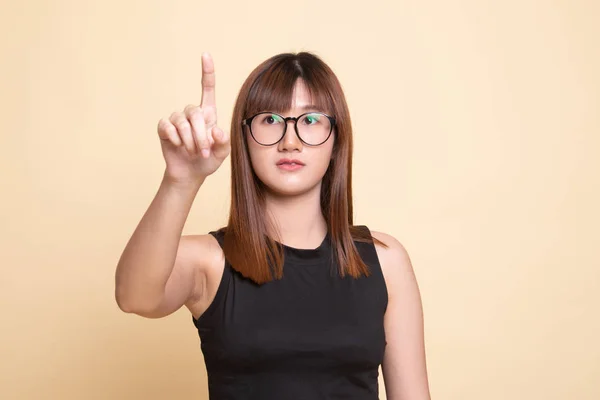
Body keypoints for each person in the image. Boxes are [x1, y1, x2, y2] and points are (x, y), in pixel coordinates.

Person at [115, 51, 431, 399]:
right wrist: (181, 180)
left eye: (310, 120)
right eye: (270, 119)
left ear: (336, 140)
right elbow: (134, 297)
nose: (290, 141)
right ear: (244, 137)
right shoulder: (209, 261)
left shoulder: (385, 261)